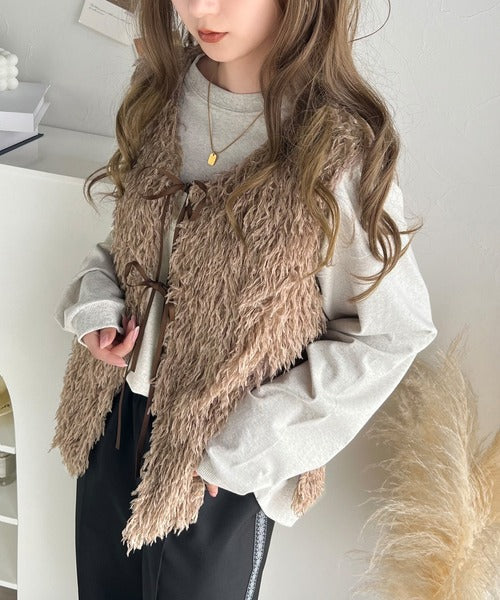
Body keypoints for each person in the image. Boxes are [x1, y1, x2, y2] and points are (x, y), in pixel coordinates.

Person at [51, 0, 438, 598]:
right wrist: (99, 309)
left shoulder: (334, 146)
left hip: (221, 468)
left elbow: (392, 332)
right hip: (113, 426)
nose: (200, 8)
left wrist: (248, 444)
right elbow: (128, 244)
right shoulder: (160, 92)